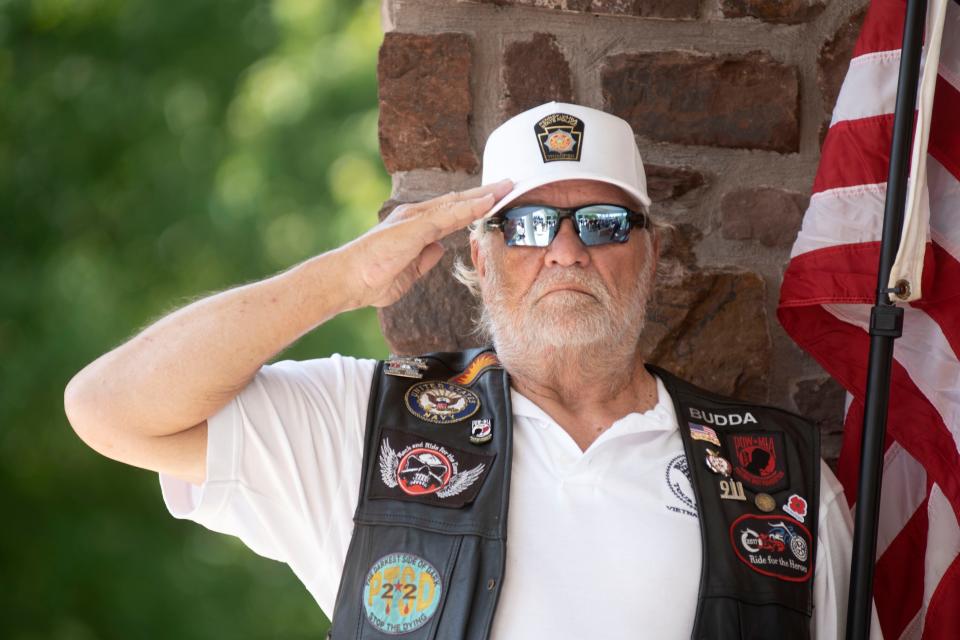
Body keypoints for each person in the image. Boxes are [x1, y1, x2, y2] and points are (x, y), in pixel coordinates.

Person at [65, 102, 878, 639]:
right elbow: (109, 410)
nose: (565, 250)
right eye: (525, 225)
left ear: (651, 255)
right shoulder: (366, 425)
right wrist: (342, 279)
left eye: (601, 221)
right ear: (479, 260)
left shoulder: (781, 478)